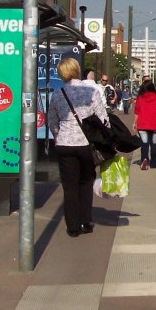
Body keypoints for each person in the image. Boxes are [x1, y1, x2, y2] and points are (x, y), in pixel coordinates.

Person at [48, 57, 110, 237]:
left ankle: (72, 227)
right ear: (76, 70)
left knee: (69, 186)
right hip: (86, 144)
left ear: (61, 73)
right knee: (85, 183)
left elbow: (52, 119)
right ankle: (85, 222)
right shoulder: (91, 91)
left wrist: (57, 134)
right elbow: (103, 118)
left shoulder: (58, 93)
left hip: (65, 144)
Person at [133, 79, 156, 170]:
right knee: (154, 144)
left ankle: (144, 159)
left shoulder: (140, 99)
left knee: (144, 143)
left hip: (142, 125)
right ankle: (154, 163)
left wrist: (134, 123)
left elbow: (137, 112)